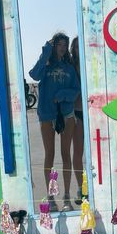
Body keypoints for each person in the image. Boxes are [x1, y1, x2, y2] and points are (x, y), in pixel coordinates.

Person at [29, 32, 80, 212]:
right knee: (49, 155)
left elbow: (76, 90)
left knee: (66, 154)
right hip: (47, 115)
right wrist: (46, 50)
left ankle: (66, 196)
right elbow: (34, 75)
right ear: (53, 46)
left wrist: (63, 95)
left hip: (66, 114)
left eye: (64, 45)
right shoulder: (45, 66)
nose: (62, 47)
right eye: (58, 44)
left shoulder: (69, 68)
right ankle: (51, 197)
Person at [70, 36, 84, 204]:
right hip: (76, 112)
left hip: (92, 112)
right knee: (78, 152)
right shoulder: (71, 67)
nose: (78, 50)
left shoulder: (91, 63)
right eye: (76, 47)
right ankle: (81, 188)